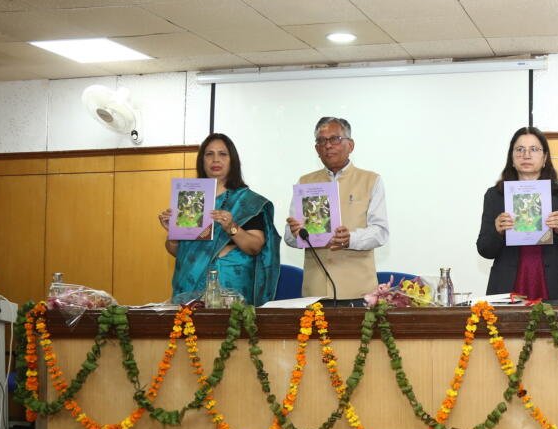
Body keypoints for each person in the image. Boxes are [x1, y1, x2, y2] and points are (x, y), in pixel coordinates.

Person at [159, 133, 280, 305]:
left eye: (222, 154)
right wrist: (173, 233)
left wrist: (231, 227)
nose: (216, 159)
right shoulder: (189, 199)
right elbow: (179, 252)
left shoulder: (247, 202)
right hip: (190, 290)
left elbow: (255, 247)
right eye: (209, 154)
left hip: (232, 290)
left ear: (233, 161)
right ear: (202, 161)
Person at [477, 127, 558, 303]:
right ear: (512, 158)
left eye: (534, 149)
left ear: (544, 158)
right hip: (508, 286)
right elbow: (484, 249)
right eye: (520, 149)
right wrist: (497, 231)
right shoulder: (496, 195)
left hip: (553, 286)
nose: (526, 155)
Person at [284, 117, 389, 304]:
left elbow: (380, 232)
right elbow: (289, 237)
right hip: (315, 291)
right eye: (321, 141)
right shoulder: (305, 183)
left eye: (335, 139)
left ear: (351, 145)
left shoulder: (371, 180)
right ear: (316, 149)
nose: (328, 145)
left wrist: (350, 239)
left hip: (358, 291)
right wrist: (296, 233)